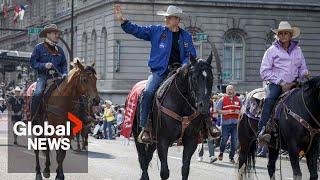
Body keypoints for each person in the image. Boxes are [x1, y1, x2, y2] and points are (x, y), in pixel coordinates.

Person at [115, 4, 197, 144]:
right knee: (147, 92)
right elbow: (138, 30)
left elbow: (191, 56)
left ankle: (205, 126)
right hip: (160, 72)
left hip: (180, 72)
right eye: (166, 18)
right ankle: (145, 127)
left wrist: (184, 66)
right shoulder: (156, 31)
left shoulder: (186, 36)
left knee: (198, 92)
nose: (166, 20)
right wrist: (123, 21)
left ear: (177, 19)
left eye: (169, 18)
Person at [258, 21, 309, 145]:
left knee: (309, 97)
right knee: (270, 98)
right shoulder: (271, 51)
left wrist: (305, 73)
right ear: (278, 35)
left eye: (286, 33)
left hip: (295, 83)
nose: (283, 35)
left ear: (291, 35)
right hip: (276, 84)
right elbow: (264, 71)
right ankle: (263, 129)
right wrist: (281, 83)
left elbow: (302, 67)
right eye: (280, 33)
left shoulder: (298, 50)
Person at [29, 24, 68, 121]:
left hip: (58, 77)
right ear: (48, 34)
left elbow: (64, 64)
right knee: (37, 93)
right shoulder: (38, 48)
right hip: (44, 76)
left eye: (57, 33)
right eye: (55, 33)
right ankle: (34, 117)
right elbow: (33, 63)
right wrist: (44, 65)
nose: (57, 35)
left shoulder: (60, 50)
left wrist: (64, 73)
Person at [216, 85, 241, 163]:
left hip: (235, 124)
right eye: (228, 90)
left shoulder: (239, 100)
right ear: (226, 91)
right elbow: (217, 110)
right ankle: (221, 153)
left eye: (231, 89)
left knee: (234, 141)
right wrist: (226, 112)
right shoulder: (222, 99)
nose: (230, 91)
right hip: (225, 124)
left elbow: (243, 111)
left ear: (234, 90)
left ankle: (231, 157)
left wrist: (239, 112)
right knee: (224, 140)